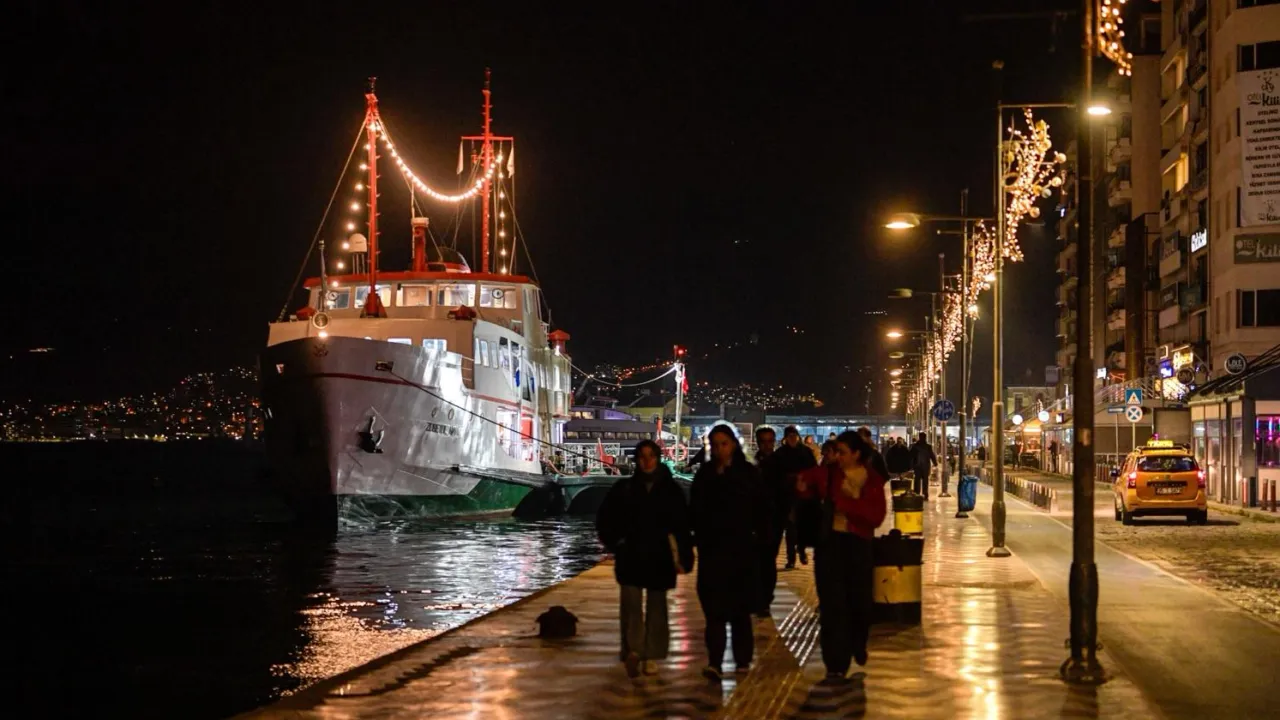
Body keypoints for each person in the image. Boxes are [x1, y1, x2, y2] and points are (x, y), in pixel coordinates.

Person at [596, 440, 693, 678]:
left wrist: (684, 556)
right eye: (642, 456)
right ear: (637, 460)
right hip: (631, 553)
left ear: (658, 458)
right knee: (631, 605)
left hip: (659, 554)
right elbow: (605, 518)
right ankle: (634, 650)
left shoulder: (671, 491)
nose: (647, 461)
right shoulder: (624, 489)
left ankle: (650, 654)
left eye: (651, 456)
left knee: (657, 606)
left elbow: (682, 526)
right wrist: (616, 542)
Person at [796, 430, 887, 680]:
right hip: (830, 544)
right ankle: (835, 663)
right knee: (832, 605)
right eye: (836, 452)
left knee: (859, 603)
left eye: (843, 452)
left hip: (858, 545)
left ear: (856, 454)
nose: (837, 456)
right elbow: (806, 481)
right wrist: (802, 487)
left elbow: (875, 516)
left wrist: (846, 505)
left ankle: (858, 642)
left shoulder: (871, 479)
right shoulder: (829, 473)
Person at [690, 425, 769, 681]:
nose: (719, 449)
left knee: (740, 611)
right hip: (713, 551)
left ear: (733, 444)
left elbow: (761, 509)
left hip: (741, 550)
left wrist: (760, 541)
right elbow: (696, 510)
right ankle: (715, 661)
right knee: (714, 611)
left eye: (723, 444)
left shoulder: (747, 474)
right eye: (715, 445)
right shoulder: (705, 474)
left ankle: (742, 659)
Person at [758, 426, 817, 581]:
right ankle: (790, 557)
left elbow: (813, 471)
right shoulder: (779, 455)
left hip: (800, 496)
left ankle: (799, 551)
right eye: (789, 436)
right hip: (784, 498)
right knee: (788, 528)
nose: (792, 438)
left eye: (794, 435)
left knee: (797, 527)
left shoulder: (804, 452)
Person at [909, 432, 937, 499]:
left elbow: (910, 456)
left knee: (917, 480)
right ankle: (925, 494)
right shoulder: (928, 446)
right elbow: (932, 455)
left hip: (917, 466)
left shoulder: (915, 446)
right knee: (925, 481)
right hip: (925, 466)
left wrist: (910, 466)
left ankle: (917, 493)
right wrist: (935, 463)